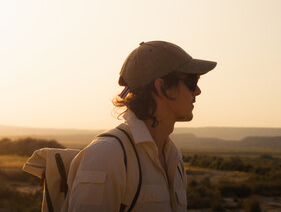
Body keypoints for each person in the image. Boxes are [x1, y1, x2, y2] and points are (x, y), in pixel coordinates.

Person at [62, 41, 217, 212]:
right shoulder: (107, 155)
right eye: (192, 82)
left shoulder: (174, 158)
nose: (198, 91)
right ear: (162, 87)